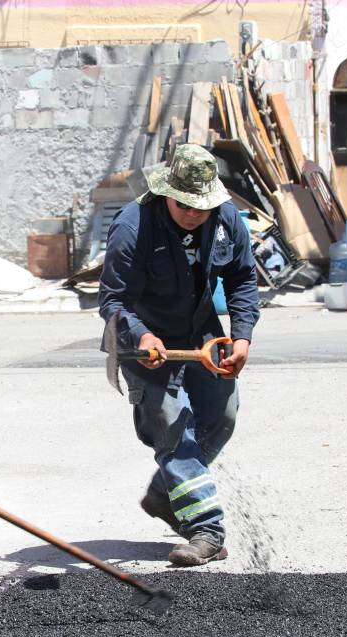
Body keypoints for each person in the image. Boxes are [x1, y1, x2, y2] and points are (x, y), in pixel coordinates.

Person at [99, 144, 260, 567]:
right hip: (142, 339)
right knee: (173, 425)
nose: (193, 214)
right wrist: (143, 336)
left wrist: (241, 336)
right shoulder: (133, 225)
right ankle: (206, 528)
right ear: (167, 192)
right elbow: (113, 301)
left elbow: (242, 279)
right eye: (184, 205)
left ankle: (165, 494)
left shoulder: (226, 218)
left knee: (222, 416)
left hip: (201, 333)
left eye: (200, 207)